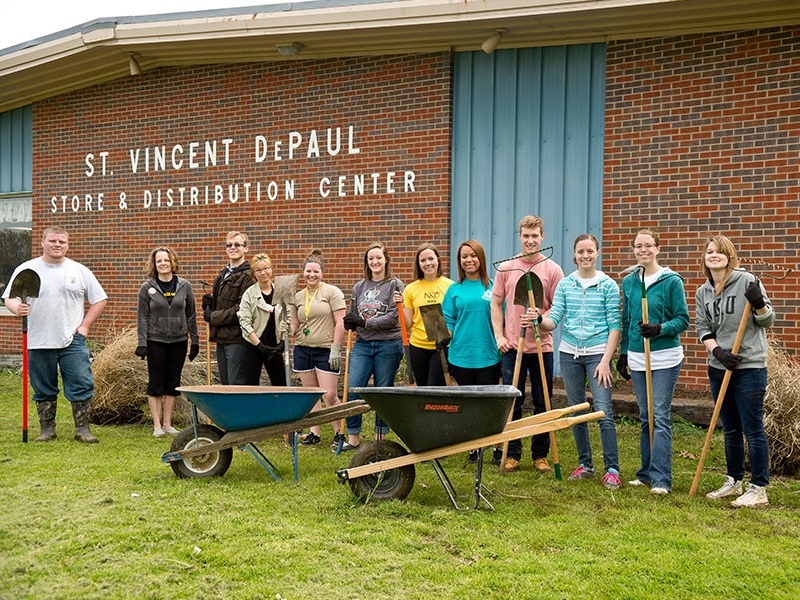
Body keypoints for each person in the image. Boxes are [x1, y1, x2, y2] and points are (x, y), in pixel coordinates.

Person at [2, 226, 107, 443]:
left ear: (67, 245)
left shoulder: (79, 271)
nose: (57, 245)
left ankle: (83, 429)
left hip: (72, 339)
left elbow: (99, 299)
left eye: (62, 242)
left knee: (81, 382)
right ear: (43, 242)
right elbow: (9, 297)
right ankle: (47, 429)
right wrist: (15, 308)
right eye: (53, 241)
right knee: (43, 386)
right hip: (38, 338)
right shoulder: (27, 270)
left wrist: (85, 326)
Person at [536, 234, 622, 489]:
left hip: (598, 354)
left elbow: (615, 326)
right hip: (569, 354)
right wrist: (539, 320)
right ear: (574, 255)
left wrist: (605, 360)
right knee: (577, 411)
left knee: (603, 411)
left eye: (589, 251)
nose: (585, 255)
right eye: (580, 251)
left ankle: (612, 469)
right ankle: (586, 465)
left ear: (597, 253)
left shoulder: (608, 285)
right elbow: (554, 320)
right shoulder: (566, 285)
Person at [696, 235, 774, 508]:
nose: (714, 255)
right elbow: (702, 327)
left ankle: (759, 488)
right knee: (730, 428)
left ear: (729, 256)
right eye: (709, 251)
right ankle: (734, 480)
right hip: (719, 366)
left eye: (719, 251)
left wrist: (759, 303)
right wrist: (718, 352)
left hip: (749, 365)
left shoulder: (747, 281)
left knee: (752, 428)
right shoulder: (703, 291)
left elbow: (768, 320)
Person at [618, 229, 689, 495]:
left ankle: (661, 479)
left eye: (648, 245)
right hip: (638, 356)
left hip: (665, 357)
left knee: (659, 415)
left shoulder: (671, 281)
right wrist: (624, 353)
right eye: (639, 246)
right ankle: (645, 473)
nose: (643, 250)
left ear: (658, 248)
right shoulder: (629, 282)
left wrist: (660, 329)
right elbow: (627, 320)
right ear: (634, 250)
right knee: (646, 416)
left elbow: (682, 319)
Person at [491, 215, 564, 473]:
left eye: (535, 236)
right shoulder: (507, 267)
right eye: (526, 235)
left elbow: (558, 307)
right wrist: (499, 336)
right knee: (514, 402)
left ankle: (540, 455)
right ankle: (512, 453)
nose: (530, 240)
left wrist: (540, 317)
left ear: (542, 236)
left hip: (542, 346)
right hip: (513, 346)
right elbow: (495, 303)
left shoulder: (552, 269)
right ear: (519, 236)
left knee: (543, 402)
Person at [442, 240, 502, 464]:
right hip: (461, 355)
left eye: (473, 255)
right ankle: (474, 447)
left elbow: (502, 318)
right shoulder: (454, 290)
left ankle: (496, 446)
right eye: (464, 256)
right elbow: (449, 320)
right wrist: (443, 335)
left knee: (489, 403)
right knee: (468, 404)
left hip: (488, 354)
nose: (469, 260)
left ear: (481, 258)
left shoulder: (494, 287)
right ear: (459, 261)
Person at [340, 242, 404, 451]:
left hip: (388, 344)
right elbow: (353, 313)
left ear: (386, 260)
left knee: (382, 390)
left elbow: (393, 318)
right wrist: (350, 321)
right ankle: (353, 438)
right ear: (366, 262)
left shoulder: (395, 284)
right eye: (371, 259)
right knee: (353, 387)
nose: (375, 262)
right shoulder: (359, 287)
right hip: (363, 344)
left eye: (378, 258)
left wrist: (364, 322)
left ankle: (380, 438)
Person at [136, 246, 199, 437]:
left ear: (173, 262)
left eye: (166, 260)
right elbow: (142, 317)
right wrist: (142, 342)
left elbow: (191, 315)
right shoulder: (147, 287)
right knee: (156, 382)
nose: (163, 263)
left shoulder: (185, 286)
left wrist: (195, 341)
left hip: (179, 341)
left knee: (173, 381)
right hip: (155, 340)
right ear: (154, 265)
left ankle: (167, 424)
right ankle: (157, 425)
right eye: (159, 261)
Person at [289, 249, 346, 447]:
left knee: (329, 395)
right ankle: (314, 433)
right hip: (303, 348)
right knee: (311, 394)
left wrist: (336, 348)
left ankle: (339, 432)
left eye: (315, 271)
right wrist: (289, 328)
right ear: (303, 272)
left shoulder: (332, 292)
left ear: (322, 273)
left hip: (326, 350)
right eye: (308, 271)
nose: (311, 275)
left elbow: (341, 321)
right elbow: (295, 322)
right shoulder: (298, 296)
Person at [395, 242, 453, 386]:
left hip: (441, 347)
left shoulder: (450, 286)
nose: (428, 263)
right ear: (418, 264)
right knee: (422, 387)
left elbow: (455, 317)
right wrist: (399, 306)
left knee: (434, 386)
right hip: (418, 347)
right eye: (423, 260)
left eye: (431, 258)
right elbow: (407, 325)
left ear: (438, 260)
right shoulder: (411, 289)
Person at [202, 231, 256, 385]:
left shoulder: (248, 276)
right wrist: (209, 304)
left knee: (236, 385)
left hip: (238, 339)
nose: (233, 248)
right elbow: (224, 304)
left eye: (237, 244)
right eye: (229, 245)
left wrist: (213, 316)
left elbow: (240, 310)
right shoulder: (221, 276)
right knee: (225, 385)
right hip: (222, 337)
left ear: (246, 248)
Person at [237, 253, 288, 386]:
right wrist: (259, 345)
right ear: (254, 273)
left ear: (271, 269)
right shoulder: (249, 294)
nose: (263, 273)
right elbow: (244, 322)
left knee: (281, 385)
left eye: (266, 268)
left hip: (275, 346)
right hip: (254, 346)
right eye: (258, 270)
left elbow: (286, 318)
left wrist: (282, 341)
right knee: (251, 387)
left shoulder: (281, 292)